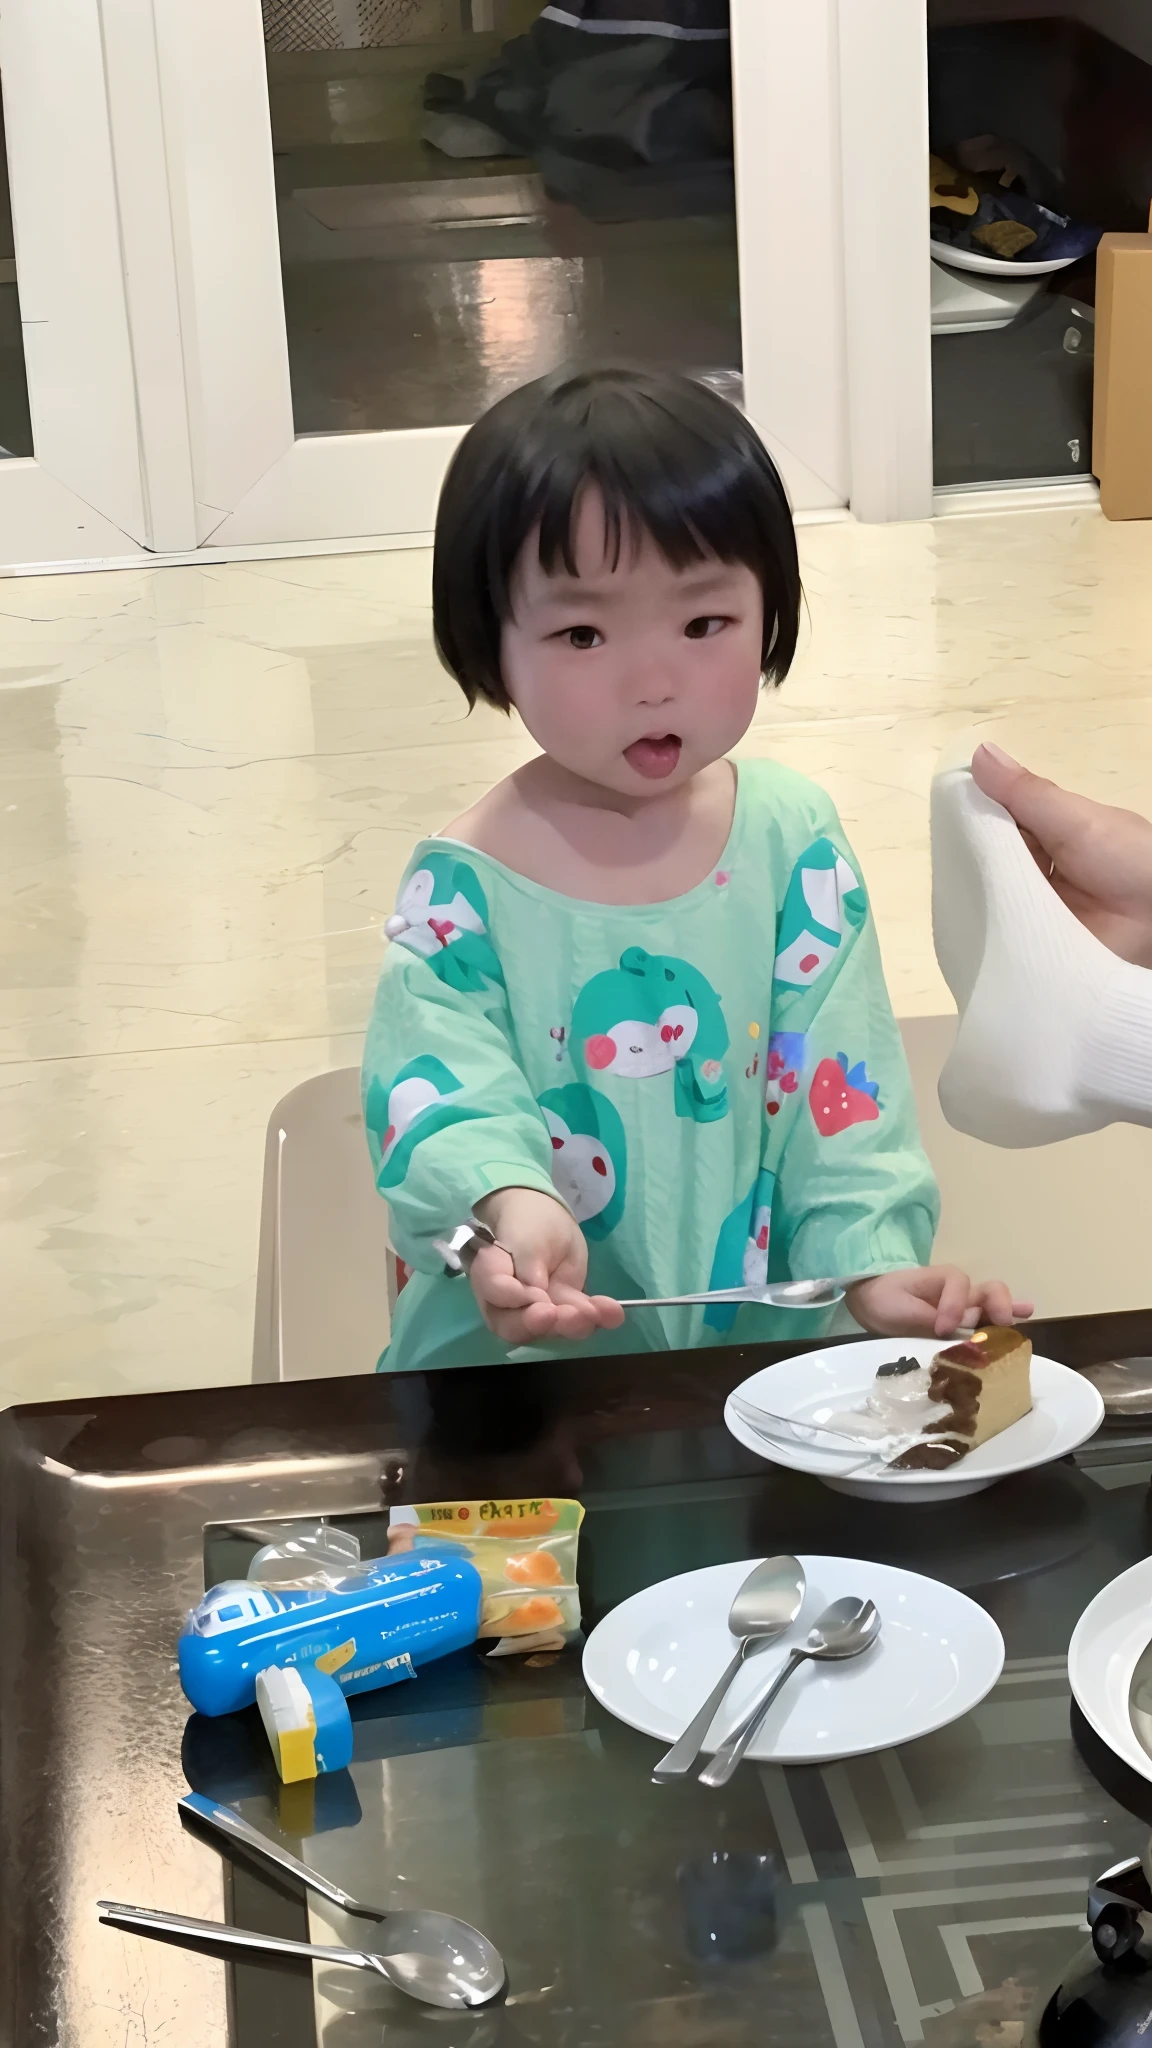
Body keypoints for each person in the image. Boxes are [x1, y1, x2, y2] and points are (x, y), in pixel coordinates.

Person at [362, 366, 1030, 1371]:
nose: (653, 681)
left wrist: (869, 1265)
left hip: (757, 1373)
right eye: (583, 631)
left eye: (703, 621)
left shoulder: (790, 839)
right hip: (517, 1381)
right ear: (491, 643)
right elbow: (439, 1092)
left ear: (771, 612)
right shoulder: (464, 887)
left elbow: (840, 1091)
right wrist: (514, 1202)